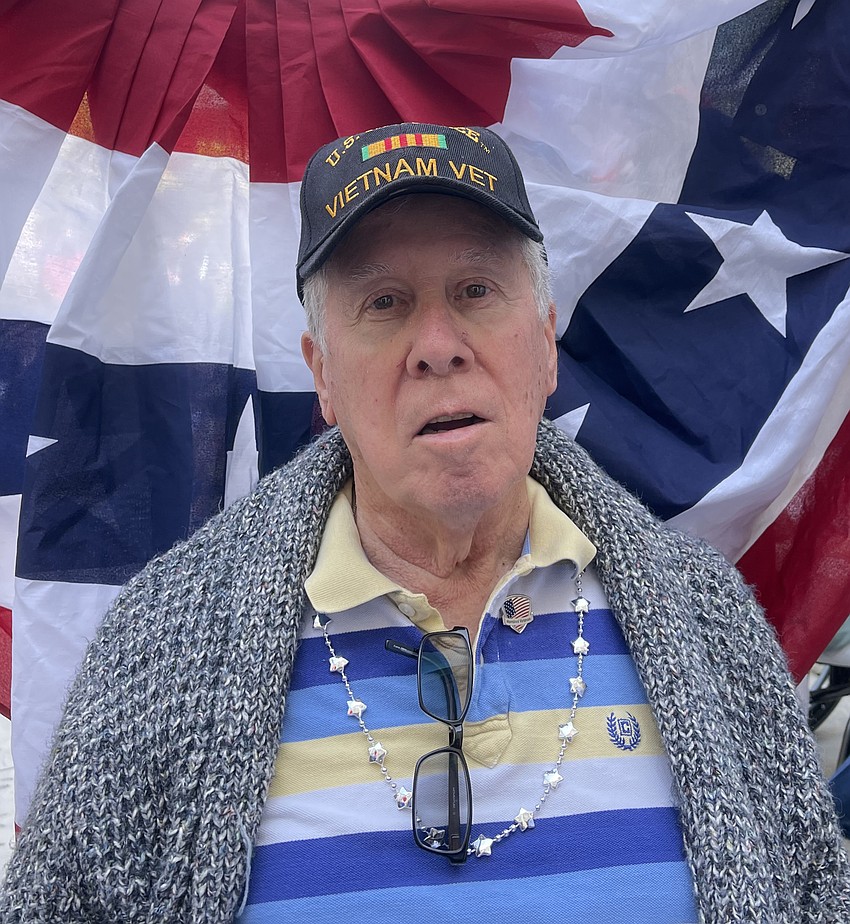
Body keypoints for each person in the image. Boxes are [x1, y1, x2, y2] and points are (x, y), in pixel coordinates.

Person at [2, 122, 848, 922]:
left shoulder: (706, 617)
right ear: (322, 376)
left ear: (546, 343)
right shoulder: (164, 644)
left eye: (476, 290)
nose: (438, 344)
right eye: (384, 302)